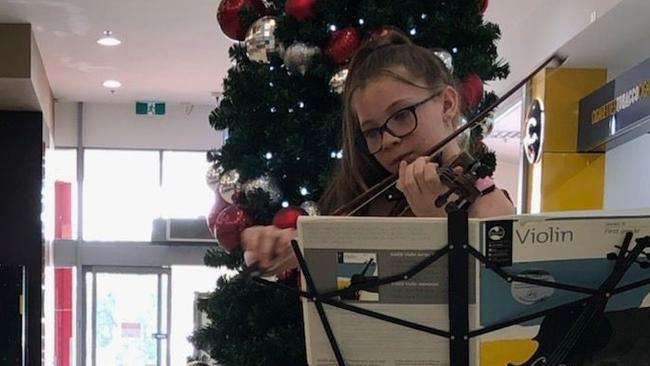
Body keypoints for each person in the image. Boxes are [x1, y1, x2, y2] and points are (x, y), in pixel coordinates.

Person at [241, 29, 514, 276]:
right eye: (372, 132)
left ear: (447, 104)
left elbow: (500, 312)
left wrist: (439, 225)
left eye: (402, 115)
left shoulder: (490, 208)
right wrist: (283, 247)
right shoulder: (372, 201)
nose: (387, 140)